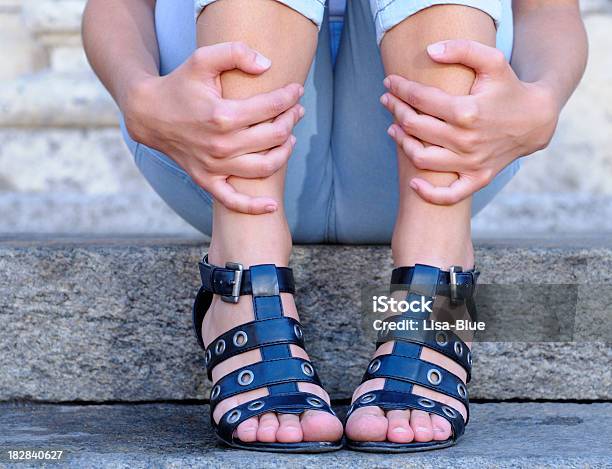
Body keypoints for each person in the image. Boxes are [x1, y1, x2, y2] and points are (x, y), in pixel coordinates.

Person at [83, 0, 587, 453]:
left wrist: (544, 99)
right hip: (214, 162)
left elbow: (548, 10)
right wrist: (138, 94)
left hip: (436, 169)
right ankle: (244, 267)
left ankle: (437, 276)